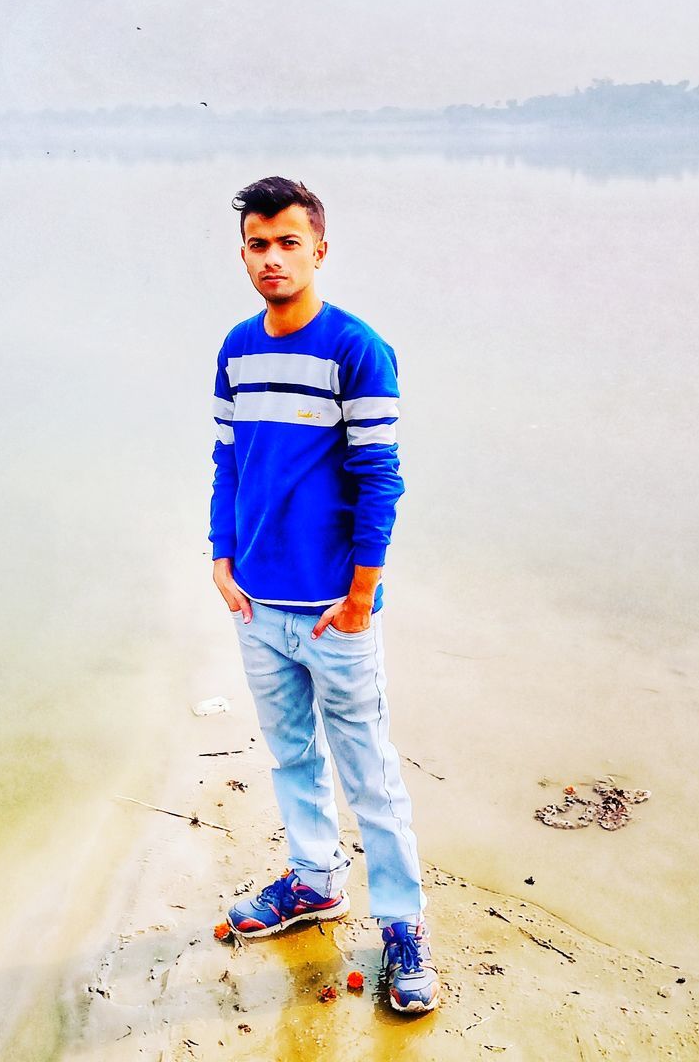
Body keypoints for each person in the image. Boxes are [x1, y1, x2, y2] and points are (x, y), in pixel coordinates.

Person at [208, 175, 440, 1014]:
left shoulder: (357, 350)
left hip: (333, 611)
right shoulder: (236, 347)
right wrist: (221, 557)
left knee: (370, 771)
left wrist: (360, 595)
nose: (272, 259)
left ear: (319, 250)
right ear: (244, 254)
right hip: (257, 604)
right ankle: (313, 881)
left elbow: (381, 477)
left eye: (287, 244)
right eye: (258, 245)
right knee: (291, 755)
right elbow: (228, 460)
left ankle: (405, 929)